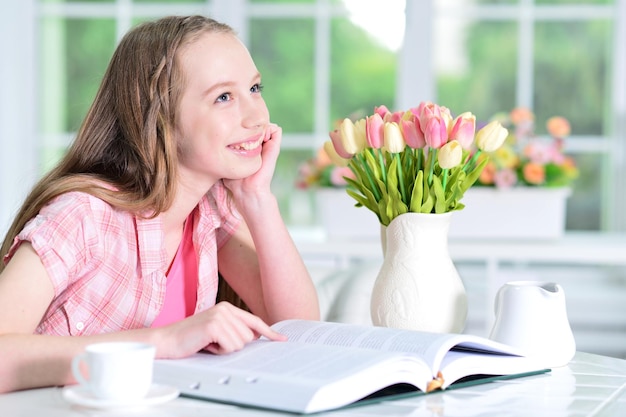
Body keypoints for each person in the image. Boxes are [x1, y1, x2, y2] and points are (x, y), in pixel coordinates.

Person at [0, 15, 320, 393]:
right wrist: (161, 342)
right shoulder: (81, 216)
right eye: (223, 97)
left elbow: (299, 333)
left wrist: (257, 198)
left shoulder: (211, 211)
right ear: (159, 116)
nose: (256, 116)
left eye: (254, 87)